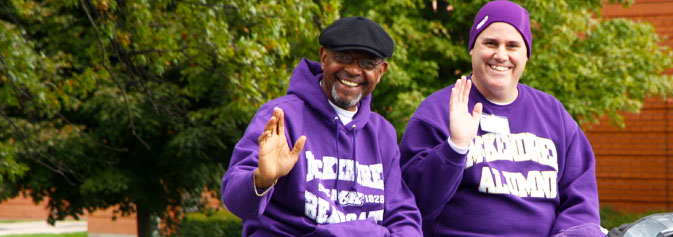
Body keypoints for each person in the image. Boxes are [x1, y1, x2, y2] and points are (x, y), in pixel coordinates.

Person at [399, 1, 604, 236]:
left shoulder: (553, 114)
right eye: (490, 43)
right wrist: (454, 148)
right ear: (472, 48)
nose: (501, 55)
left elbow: (581, 203)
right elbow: (413, 205)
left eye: (513, 46)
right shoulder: (438, 110)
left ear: (526, 54)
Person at [222, 16, 422, 236]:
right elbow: (235, 201)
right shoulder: (281, 117)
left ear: (381, 71)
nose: (353, 70)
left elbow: (403, 214)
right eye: (343, 57)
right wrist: (262, 180)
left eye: (366, 63)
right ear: (324, 58)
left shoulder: (382, 133)